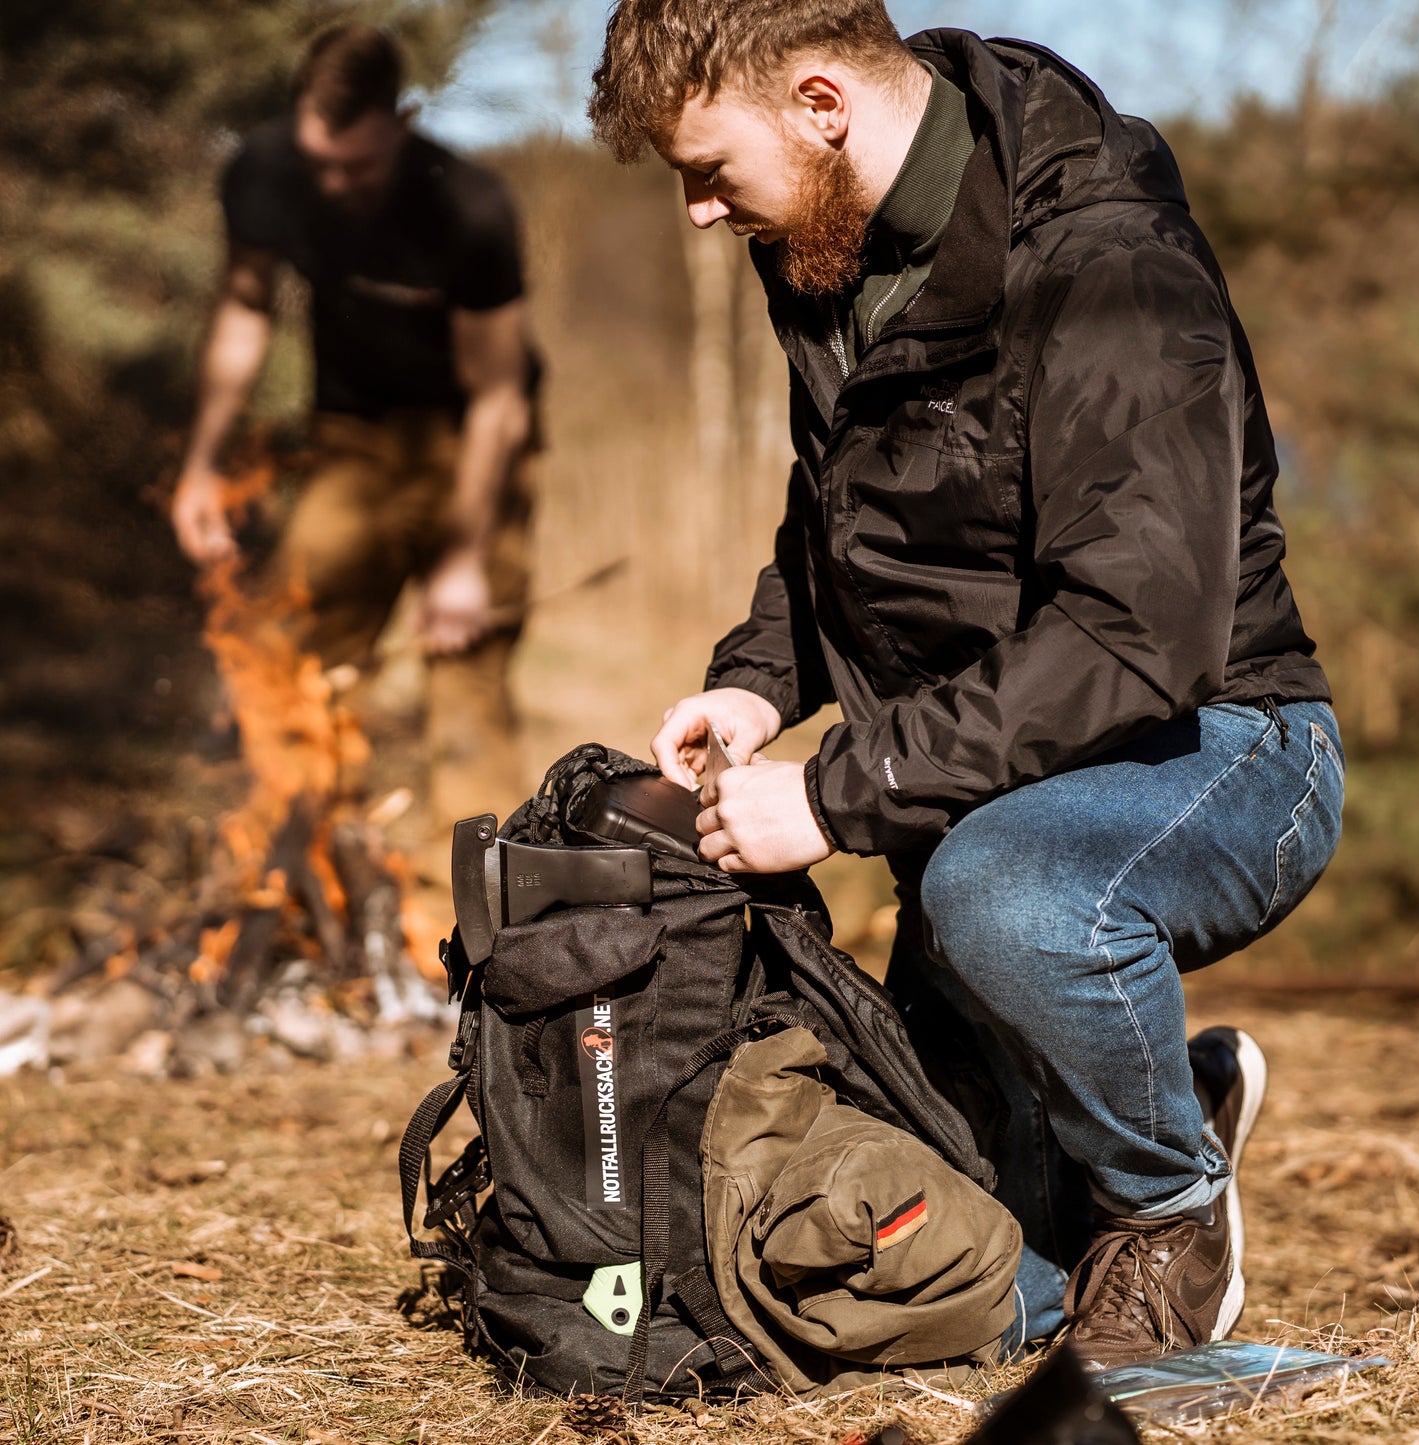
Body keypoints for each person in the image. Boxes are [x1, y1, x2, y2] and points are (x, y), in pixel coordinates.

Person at [589, 1, 1345, 1368]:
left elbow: (1137, 632)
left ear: (822, 105)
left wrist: (833, 791)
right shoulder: (823, 238)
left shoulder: (1108, 258)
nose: (699, 212)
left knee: (998, 896)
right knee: (968, 1276)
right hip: (995, 782)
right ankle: (1161, 1088)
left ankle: (1170, 1204)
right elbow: (841, 516)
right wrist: (763, 683)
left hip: (1229, 744)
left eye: (708, 170)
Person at [172, 23, 538, 831]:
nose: (333, 184)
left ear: (402, 122)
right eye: (320, 163)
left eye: (358, 166)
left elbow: (499, 395)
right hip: (351, 438)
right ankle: (302, 875)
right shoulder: (266, 172)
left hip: (473, 441)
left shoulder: (467, 204)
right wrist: (202, 465)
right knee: (299, 657)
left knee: (465, 684)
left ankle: (490, 927)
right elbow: (243, 310)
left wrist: (465, 558)